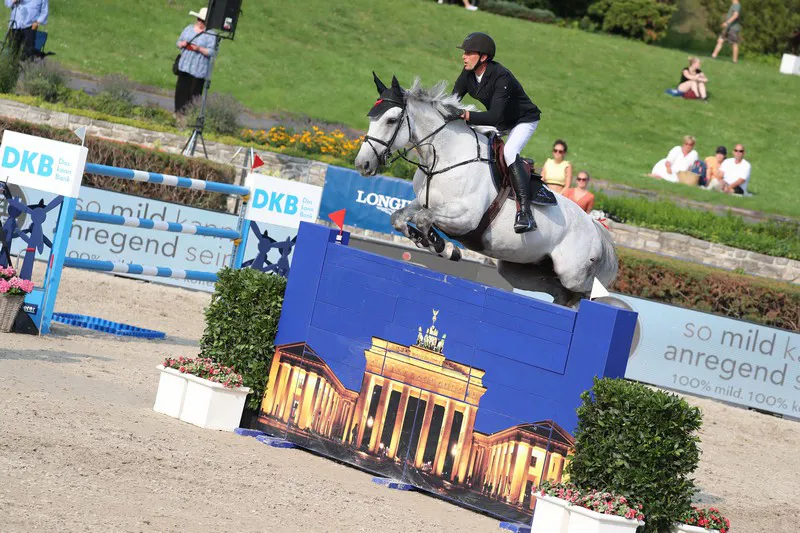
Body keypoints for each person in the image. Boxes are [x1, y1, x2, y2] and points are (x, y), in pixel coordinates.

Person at [452, 32, 544, 233]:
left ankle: (525, 213)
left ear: (483, 57)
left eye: (469, 53)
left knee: (510, 152)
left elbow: (493, 116)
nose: (464, 56)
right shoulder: (468, 73)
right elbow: (452, 101)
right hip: (500, 121)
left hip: (523, 120)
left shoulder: (502, 76)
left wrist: (464, 114)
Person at [174, 7, 217, 115]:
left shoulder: (211, 34)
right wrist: (182, 44)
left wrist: (199, 49)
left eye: (203, 21)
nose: (200, 22)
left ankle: (189, 117)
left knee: (194, 96)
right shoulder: (189, 29)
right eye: (199, 19)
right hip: (184, 66)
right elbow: (178, 42)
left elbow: (212, 52)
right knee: (180, 93)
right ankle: (177, 114)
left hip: (198, 70)